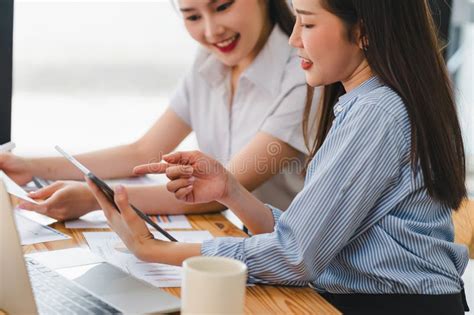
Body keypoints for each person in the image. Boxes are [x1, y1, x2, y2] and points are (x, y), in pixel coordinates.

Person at [86, 0, 470, 314]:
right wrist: (232, 191)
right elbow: (304, 239)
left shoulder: (376, 114)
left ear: (363, 31)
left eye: (307, 24)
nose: (294, 40)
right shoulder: (365, 104)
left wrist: (154, 251)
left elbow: (295, 255)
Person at [0, 0, 311, 222]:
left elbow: (223, 188)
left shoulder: (302, 76)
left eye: (223, 6)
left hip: (298, 266)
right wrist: (30, 165)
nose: (211, 31)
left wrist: (96, 198)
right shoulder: (207, 63)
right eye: (192, 16)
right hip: (241, 242)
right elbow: (143, 151)